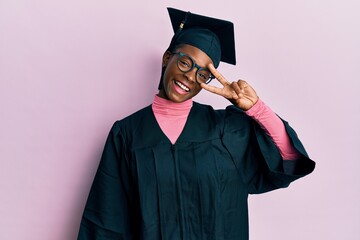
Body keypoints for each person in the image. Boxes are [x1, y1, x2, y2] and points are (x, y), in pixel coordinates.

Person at [77, 7, 315, 240]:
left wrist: (256, 108)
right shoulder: (127, 134)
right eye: (185, 63)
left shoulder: (226, 128)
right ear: (167, 58)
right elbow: (106, 222)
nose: (190, 77)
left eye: (202, 74)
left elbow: (289, 158)